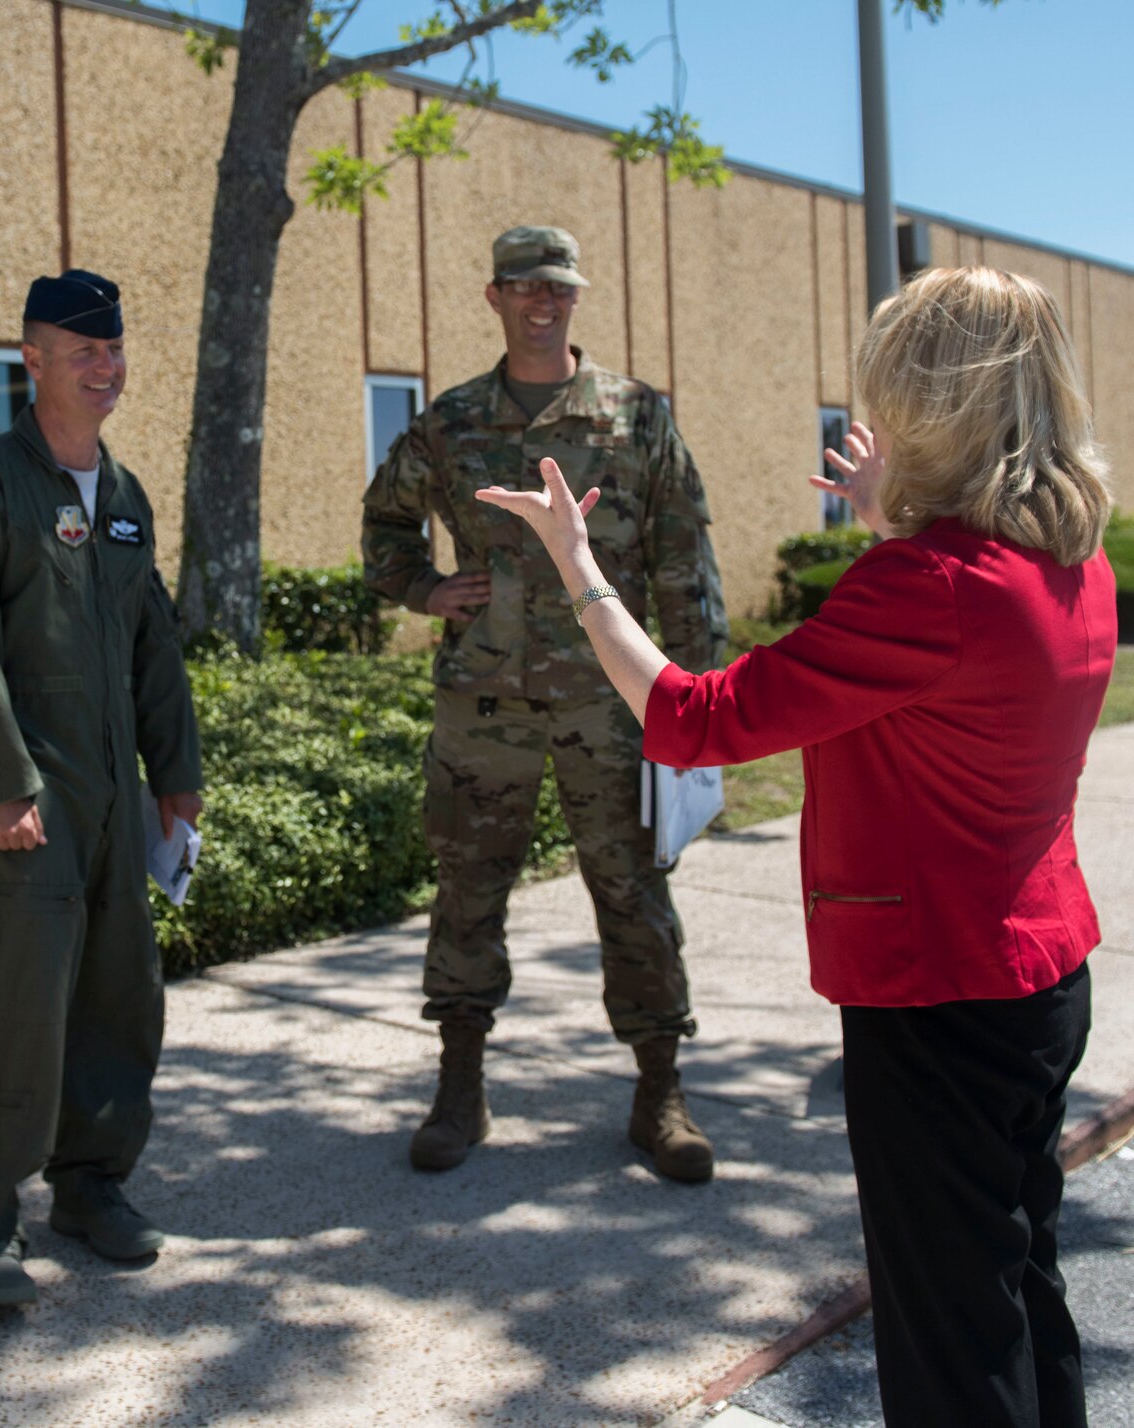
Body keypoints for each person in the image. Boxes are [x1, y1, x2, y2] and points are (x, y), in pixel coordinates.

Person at [478, 266, 1115, 1428]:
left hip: (938, 1000)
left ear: (929, 402)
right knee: (1015, 1289)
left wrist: (577, 565)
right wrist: (890, 521)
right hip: (1034, 978)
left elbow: (691, 715)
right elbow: (942, 651)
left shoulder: (921, 588)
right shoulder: (1066, 561)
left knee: (947, 1343)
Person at [361, 225, 728, 1182]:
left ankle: (660, 1092)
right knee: (467, 892)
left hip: (615, 705)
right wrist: (425, 590)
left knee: (633, 893)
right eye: (524, 286)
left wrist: (699, 701)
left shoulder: (634, 415)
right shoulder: (450, 421)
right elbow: (383, 524)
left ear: (577, 296)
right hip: (485, 706)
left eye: (558, 287)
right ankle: (460, 1086)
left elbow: (685, 556)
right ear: (494, 296)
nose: (542, 302)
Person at [0, 269, 204, 1308]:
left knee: (121, 999)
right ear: (28, 360)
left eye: (114, 351)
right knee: (19, 1010)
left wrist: (175, 777)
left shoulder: (122, 498)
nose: (105, 368)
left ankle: (92, 1187)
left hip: (113, 800)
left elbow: (152, 646)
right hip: (25, 798)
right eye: (82, 352)